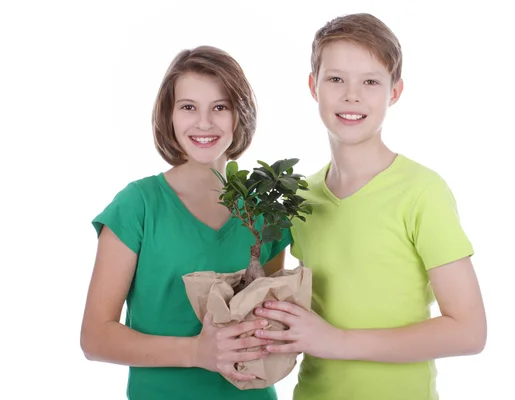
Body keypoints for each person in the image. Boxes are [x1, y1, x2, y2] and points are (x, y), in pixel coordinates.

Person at [252, 13, 487, 400]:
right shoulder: (299, 198)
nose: (351, 95)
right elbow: (271, 299)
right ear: (314, 87)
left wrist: (337, 341)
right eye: (336, 79)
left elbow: (469, 331)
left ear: (394, 92)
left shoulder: (422, 192)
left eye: (371, 82)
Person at [80, 45, 291, 400]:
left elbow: (267, 318)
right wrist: (196, 352)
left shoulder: (263, 211)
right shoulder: (138, 206)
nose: (204, 122)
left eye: (220, 107)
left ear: (239, 116)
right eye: (188, 107)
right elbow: (95, 338)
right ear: (169, 116)